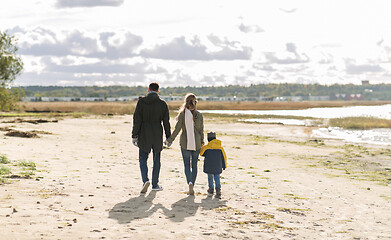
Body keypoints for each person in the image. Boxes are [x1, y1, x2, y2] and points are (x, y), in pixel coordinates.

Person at [132, 82, 171, 193]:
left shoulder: (141, 102)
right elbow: (166, 122)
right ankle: (155, 184)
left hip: (144, 132)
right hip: (157, 133)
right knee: (156, 159)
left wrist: (134, 135)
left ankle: (145, 180)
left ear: (148, 89)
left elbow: (137, 119)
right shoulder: (162, 104)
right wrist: (168, 137)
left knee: (142, 159)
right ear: (158, 91)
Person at [165, 93, 204, 195]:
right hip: (197, 143)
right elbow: (201, 130)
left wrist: (170, 140)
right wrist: (202, 141)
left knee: (187, 165)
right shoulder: (199, 115)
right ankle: (193, 184)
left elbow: (177, 129)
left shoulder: (182, 114)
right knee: (194, 165)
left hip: (185, 143)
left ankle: (189, 182)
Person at [200, 132, 227, 198]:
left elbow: (201, 153)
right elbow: (224, 157)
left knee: (210, 178)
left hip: (209, 166)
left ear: (208, 139)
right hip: (218, 166)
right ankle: (218, 189)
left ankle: (211, 189)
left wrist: (202, 145)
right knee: (217, 177)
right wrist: (224, 165)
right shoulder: (220, 148)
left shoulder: (206, 147)